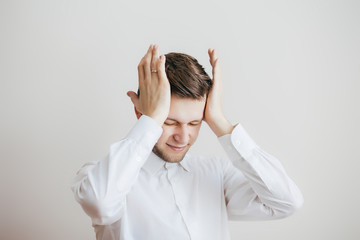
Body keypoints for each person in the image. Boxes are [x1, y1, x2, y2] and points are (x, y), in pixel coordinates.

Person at [72, 44, 303, 240]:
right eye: (170, 122)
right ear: (140, 114)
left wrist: (221, 123)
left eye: (195, 123)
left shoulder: (216, 174)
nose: (183, 137)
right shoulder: (103, 178)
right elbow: (99, 203)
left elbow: (286, 202)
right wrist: (151, 121)